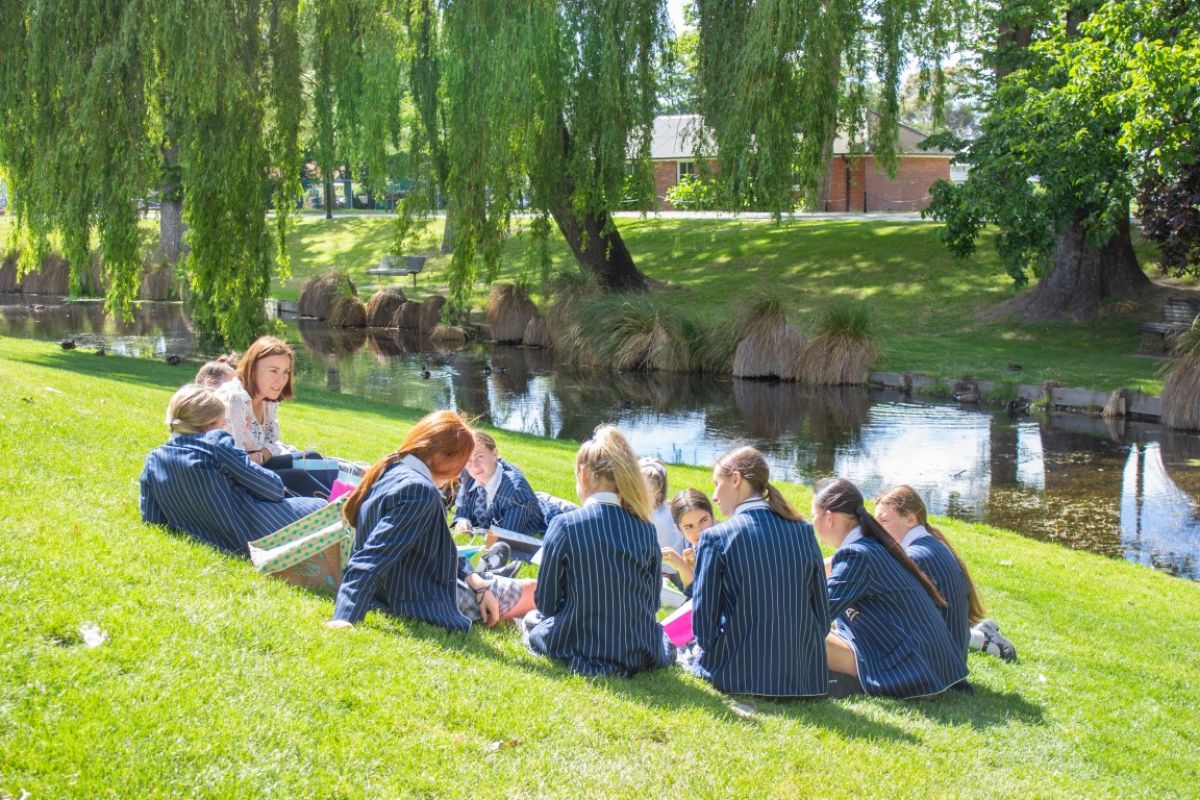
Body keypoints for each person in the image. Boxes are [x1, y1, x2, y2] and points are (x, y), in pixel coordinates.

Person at [329, 411, 535, 631]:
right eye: (462, 461)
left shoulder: (394, 470)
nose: (461, 473)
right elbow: (372, 557)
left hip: (407, 585)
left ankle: (490, 575)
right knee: (536, 590)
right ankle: (497, 581)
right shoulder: (420, 492)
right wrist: (345, 617)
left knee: (505, 585)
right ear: (445, 457)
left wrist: (476, 582)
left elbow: (440, 545)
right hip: (421, 597)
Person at [525, 425, 675, 676]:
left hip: (581, 644)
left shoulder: (565, 525)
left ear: (583, 474)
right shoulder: (645, 529)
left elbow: (547, 604)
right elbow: (652, 603)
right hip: (639, 649)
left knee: (535, 622)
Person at [686, 447, 829, 697]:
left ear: (736, 479)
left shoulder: (716, 537)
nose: (715, 496)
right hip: (803, 680)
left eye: (717, 484)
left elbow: (704, 628)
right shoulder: (803, 530)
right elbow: (822, 616)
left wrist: (710, 651)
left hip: (738, 675)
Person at [813, 478, 968, 698]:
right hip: (932, 667)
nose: (812, 523)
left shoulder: (858, 555)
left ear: (829, 518)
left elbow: (816, 616)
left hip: (912, 672)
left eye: (813, 515)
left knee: (794, 633)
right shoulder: (871, 547)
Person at [139, 384, 324, 555]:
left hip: (211, 539)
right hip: (253, 533)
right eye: (222, 423)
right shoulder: (216, 442)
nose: (224, 427)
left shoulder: (154, 459)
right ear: (210, 423)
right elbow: (273, 489)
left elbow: (152, 520)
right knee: (323, 508)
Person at [875, 485, 1016, 661]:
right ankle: (983, 636)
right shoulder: (930, 544)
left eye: (883, 521)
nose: (876, 530)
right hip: (948, 654)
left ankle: (984, 638)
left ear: (910, 520)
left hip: (935, 664)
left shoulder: (914, 558)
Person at [215, 336, 333, 497]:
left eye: (286, 372)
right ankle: (339, 507)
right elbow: (237, 463)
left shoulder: (267, 400)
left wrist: (262, 454)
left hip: (256, 465)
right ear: (252, 368)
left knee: (313, 459)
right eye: (273, 371)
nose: (281, 380)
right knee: (299, 477)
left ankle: (344, 499)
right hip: (231, 479)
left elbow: (272, 445)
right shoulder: (236, 400)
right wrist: (263, 453)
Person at [452, 431, 546, 535]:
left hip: (542, 518)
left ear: (494, 454)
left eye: (479, 456)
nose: (474, 466)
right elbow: (462, 511)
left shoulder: (515, 492)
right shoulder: (467, 475)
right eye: (468, 460)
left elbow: (506, 536)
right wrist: (462, 521)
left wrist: (479, 532)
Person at [640, 458, 690, 585]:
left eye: (648, 492)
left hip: (668, 568)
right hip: (667, 567)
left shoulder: (657, 515)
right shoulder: (666, 509)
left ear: (659, 495)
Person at [659, 489, 716, 591]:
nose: (699, 532)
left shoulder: (725, 549)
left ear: (712, 516)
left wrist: (683, 568)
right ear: (679, 529)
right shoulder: (687, 546)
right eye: (689, 526)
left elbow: (705, 597)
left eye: (703, 520)